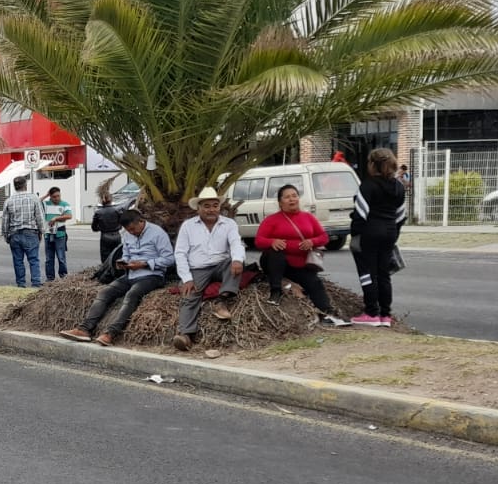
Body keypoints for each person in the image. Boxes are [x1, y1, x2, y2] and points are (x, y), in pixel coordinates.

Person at [60, 210, 175, 346]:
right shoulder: (127, 235)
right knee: (105, 292)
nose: (131, 232)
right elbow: (126, 254)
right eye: (128, 230)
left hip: (152, 275)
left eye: (133, 229)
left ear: (141, 221)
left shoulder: (157, 233)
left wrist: (144, 264)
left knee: (132, 295)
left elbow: (170, 259)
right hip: (130, 274)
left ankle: (110, 334)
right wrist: (123, 262)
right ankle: (84, 329)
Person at [254, 184, 351, 327]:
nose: (292, 199)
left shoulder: (308, 217)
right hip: (276, 263)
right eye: (287, 197)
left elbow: (324, 237)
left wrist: (312, 241)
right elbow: (258, 241)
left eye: (294, 196)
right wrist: (272, 241)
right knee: (276, 252)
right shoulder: (272, 220)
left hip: (300, 264)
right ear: (280, 202)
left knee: (315, 283)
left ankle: (327, 313)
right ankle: (276, 291)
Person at [172, 188, 244, 351]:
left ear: (220, 207)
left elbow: (236, 244)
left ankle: (222, 301)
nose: (211, 209)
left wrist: (238, 260)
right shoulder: (188, 226)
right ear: (198, 208)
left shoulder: (229, 224)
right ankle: (186, 335)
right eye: (207, 206)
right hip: (198, 268)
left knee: (235, 261)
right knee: (189, 295)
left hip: (221, 265)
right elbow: (180, 253)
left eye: (215, 205)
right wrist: (187, 278)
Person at [350, 148, 407, 328]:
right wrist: (394, 234)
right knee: (384, 274)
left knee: (367, 274)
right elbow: (401, 215)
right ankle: (385, 315)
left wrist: (355, 235)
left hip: (370, 233)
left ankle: (371, 313)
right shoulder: (399, 186)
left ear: (373, 164)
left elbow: (360, 214)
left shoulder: (368, 185)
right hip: (390, 232)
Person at [0, 176, 47, 288]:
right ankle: (36, 283)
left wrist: (6, 235)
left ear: (15, 187)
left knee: (18, 260)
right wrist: (42, 231)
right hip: (31, 232)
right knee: (34, 259)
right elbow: (40, 217)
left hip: (14, 234)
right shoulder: (34, 198)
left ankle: (21, 284)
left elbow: (5, 220)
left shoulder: (8, 201)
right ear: (25, 185)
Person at [42, 187, 73, 280]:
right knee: (49, 259)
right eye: (54, 196)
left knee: (61, 257)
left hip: (60, 234)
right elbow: (37, 202)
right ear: (50, 196)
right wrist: (46, 195)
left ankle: (63, 277)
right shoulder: (46, 204)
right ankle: (50, 278)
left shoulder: (65, 204)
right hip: (48, 234)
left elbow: (69, 215)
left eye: (58, 196)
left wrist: (56, 218)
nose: (57, 198)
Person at [91, 188, 125, 264]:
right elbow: (122, 222)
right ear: (111, 200)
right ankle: (117, 273)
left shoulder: (98, 213)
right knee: (118, 256)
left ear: (101, 201)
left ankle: (107, 273)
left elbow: (94, 227)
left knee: (105, 258)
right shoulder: (117, 210)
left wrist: (100, 228)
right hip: (117, 235)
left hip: (105, 236)